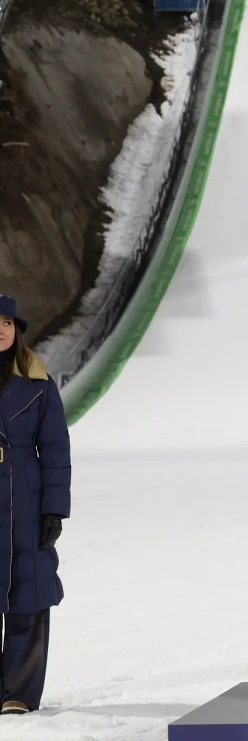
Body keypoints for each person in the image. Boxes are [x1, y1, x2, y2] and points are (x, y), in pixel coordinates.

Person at [0, 294, 70, 716]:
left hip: (24, 494)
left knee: (28, 591)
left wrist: (54, 508)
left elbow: (56, 448)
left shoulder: (38, 383)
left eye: (8, 323)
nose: (1, 330)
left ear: (17, 330)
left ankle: (18, 693)